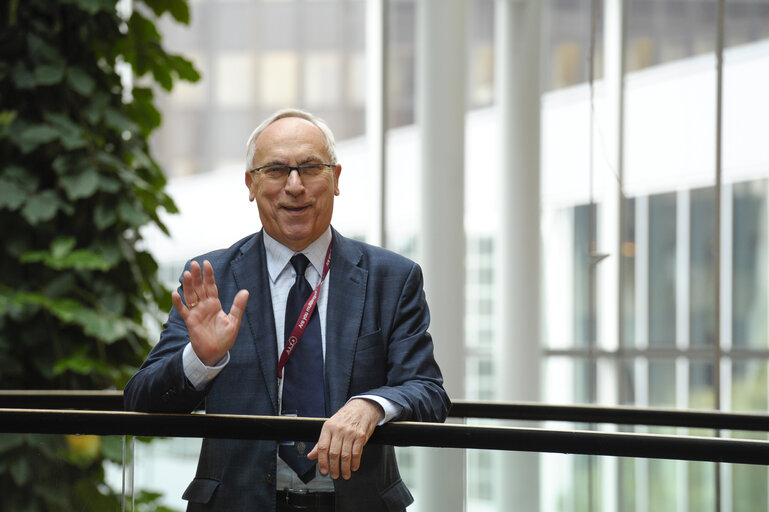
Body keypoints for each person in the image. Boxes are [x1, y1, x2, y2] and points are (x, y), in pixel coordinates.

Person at [124, 108, 450, 512]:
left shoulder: (392, 278)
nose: (294, 186)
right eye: (276, 170)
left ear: (335, 179)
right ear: (250, 183)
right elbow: (139, 400)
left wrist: (373, 405)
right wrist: (201, 360)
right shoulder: (212, 279)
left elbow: (428, 391)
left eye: (311, 168)